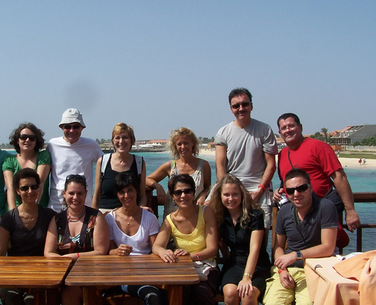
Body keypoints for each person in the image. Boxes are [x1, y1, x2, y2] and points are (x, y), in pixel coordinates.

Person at [263, 169, 338, 305]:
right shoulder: (285, 212)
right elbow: (278, 247)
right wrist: (281, 270)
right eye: (290, 191)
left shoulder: (326, 207)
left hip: (315, 269)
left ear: (310, 188)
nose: (296, 194)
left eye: (301, 188)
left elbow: (328, 247)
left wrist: (295, 255)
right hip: (288, 270)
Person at [152, 174, 220, 305]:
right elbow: (156, 245)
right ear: (172, 196)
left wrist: (192, 255)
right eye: (178, 192)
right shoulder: (170, 219)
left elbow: (213, 248)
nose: (183, 196)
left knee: (202, 292)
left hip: (207, 268)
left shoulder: (206, 212)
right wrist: (164, 252)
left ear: (194, 192)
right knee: (180, 294)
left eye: (187, 191)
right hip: (185, 271)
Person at [44, 174, 109, 305]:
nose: (75, 197)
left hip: (91, 277)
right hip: (61, 277)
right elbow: (48, 252)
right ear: (64, 194)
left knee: (70, 293)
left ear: (86, 194)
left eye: (79, 193)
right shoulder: (57, 220)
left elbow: (101, 251)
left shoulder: (96, 218)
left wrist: (73, 256)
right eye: (71, 193)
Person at [104, 173, 167, 305]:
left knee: (160, 293)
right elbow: (108, 251)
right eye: (122, 192)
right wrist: (116, 252)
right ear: (117, 194)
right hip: (121, 274)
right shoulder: (110, 219)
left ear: (136, 192)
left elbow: (156, 248)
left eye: (130, 191)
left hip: (146, 272)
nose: (126, 196)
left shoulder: (149, 218)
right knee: (152, 294)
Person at [209, 175, 271, 305]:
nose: (231, 199)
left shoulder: (255, 215)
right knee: (229, 293)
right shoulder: (220, 217)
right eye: (226, 195)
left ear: (242, 194)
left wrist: (247, 277)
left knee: (248, 293)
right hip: (234, 263)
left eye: (235, 194)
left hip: (256, 264)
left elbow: (255, 249)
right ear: (220, 196)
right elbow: (222, 246)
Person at [0, 168, 56, 305]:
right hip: (15, 275)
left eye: (34, 187)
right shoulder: (9, 217)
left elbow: (51, 249)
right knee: (9, 294)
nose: (30, 191)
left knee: (31, 301)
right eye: (25, 188)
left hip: (41, 276)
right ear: (17, 191)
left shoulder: (48, 215)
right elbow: (0, 252)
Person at [273, 113, 360, 232]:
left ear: (300, 127)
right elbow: (286, 183)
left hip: (321, 213)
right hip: (298, 218)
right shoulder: (282, 154)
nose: (287, 130)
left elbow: (340, 177)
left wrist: (350, 211)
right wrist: (279, 191)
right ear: (280, 132)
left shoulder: (318, 147)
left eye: (291, 126)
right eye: (284, 128)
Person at [212, 88, 277, 229]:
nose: (241, 108)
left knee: (262, 232)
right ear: (231, 109)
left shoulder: (265, 130)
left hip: (258, 189)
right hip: (231, 191)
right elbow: (220, 166)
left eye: (245, 104)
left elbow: (271, 165)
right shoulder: (223, 132)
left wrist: (259, 190)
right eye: (236, 106)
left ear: (251, 106)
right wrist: (227, 190)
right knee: (220, 228)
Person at [147, 127, 211, 218]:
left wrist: (203, 195)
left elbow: (208, 187)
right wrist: (158, 187)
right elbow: (147, 179)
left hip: (195, 217)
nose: (183, 147)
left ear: (192, 143)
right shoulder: (170, 166)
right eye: (179, 144)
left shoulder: (203, 165)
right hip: (173, 217)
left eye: (186, 143)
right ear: (175, 146)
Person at [47, 109, 103, 212]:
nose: (71, 130)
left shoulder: (91, 145)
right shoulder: (52, 145)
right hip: (56, 207)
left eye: (76, 126)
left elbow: (106, 167)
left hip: (84, 207)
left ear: (82, 128)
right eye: (67, 126)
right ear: (61, 127)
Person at [92, 123, 147, 212]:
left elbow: (142, 196)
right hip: (105, 214)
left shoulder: (139, 162)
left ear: (131, 140)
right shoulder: (102, 162)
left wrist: (140, 214)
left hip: (130, 215)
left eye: (125, 137)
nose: (121, 141)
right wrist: (93, 218)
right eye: (117, 138)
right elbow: (96, 196)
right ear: (113, 141)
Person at [3, 123, 51, 209]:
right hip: (16, 208)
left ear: (36, 141)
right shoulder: (9, 160)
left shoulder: (43, 156)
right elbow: (10, 188)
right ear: (18, 140)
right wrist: (13, 214)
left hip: (39, 210)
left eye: (32, 138)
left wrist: (33, 210)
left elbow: (40, 182)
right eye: (23, 137)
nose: (27, 140)